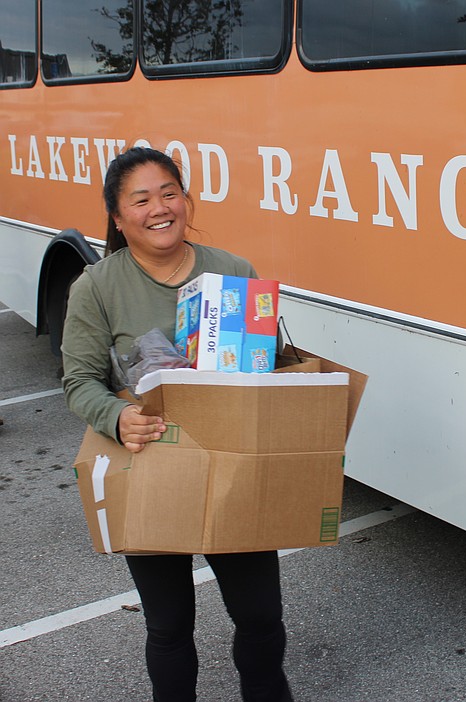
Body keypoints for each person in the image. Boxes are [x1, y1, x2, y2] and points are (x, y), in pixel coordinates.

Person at [61, 146, 294, 702]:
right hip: (152, 467)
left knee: (261, 617)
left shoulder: (233, 270)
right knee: (168, 626)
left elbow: (270, 363)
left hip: (232, 464)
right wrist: (117, 416)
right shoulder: (97, 287)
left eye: (169, 193)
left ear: (186, 200)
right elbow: (79, 381)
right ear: (118, 218)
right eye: (141, 200)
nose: (159, 208)